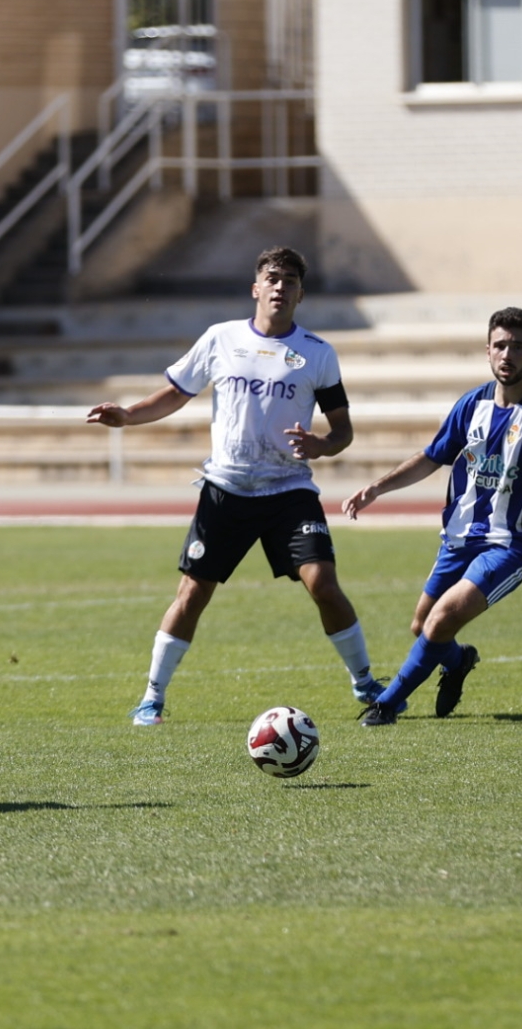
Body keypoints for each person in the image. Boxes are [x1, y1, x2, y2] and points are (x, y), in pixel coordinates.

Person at [87, 246, 381, 724]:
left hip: (289, 490)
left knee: (324, 584)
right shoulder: (220, 339)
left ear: (301, 294)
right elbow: (175, 393)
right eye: (273, 278)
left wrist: (322, 445)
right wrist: (128, 415)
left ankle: (365, 682)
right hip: (226, 490)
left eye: (290, 280)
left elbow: (343, 431)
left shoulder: (317, 353)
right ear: (255, 288)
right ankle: (152, 697)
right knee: (192, 593)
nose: (280, 287)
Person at [342, 307, 522, 726]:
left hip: (512, 544)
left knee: (441, 619)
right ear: (488, 350)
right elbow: (432, 456)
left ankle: (386, 705)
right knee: (423, 625)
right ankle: (459, 661)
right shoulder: (472, 404)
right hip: (459, 537)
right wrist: (377, 488)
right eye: (500, 345)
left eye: (518, 347)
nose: (507, 354)